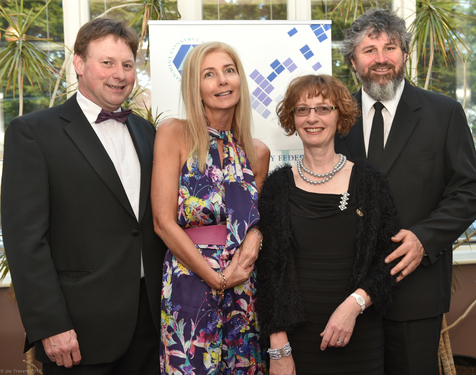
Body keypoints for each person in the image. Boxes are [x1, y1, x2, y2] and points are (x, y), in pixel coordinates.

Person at [1, 17, 166, 374]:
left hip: (150, 325)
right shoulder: (33, 133)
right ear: (79, 64)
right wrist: (51, 325)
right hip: (77, 332)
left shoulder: (146, 131)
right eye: (107, 63)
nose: (119, 74)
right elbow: (25, 240)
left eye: (127, 65)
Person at [335, 8, 476, 374]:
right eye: (369, 50)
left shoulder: (444, 112)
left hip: (415, 291)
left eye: (391, 48)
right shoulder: (336, 118)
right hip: (347, 292)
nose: (381, 59)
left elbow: (468, 191)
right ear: (353, 61)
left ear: (405, 55)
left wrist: (423, 238)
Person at [256, 74, 401, 375]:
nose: (313, 118)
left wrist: (354, 305)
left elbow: (388, 261)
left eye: (323, 108)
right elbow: (268, 272)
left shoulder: (370, 182)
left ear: (340, 116)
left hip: (360, 333)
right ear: (292, 119)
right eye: (302, 110)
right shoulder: (277, 186)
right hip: (297, 342)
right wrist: (278, 347)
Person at [151, 41, 270, 374]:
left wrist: (252, 244)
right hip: (190, 281)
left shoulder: (257, 151)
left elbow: (260, 220)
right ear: (196, 87)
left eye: (229, 71)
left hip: (245, 286)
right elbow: (162, 222)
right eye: (210, 74)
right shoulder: (174, 134)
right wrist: (216, 278)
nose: (222, 81)